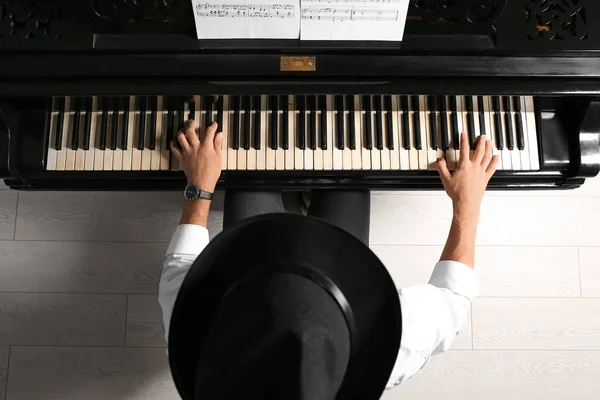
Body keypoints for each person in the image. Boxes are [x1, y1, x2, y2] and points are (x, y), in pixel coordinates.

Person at [159, 119, 499, 399]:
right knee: (351, 165)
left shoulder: (196, 343)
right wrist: (467, 205)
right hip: (336, 275)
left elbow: (178, 272)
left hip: (253, 261)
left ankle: (297, 191)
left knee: (249, 168)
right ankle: (312, 194)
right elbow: (451, 299)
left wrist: (199, 189)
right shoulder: (382, 352)